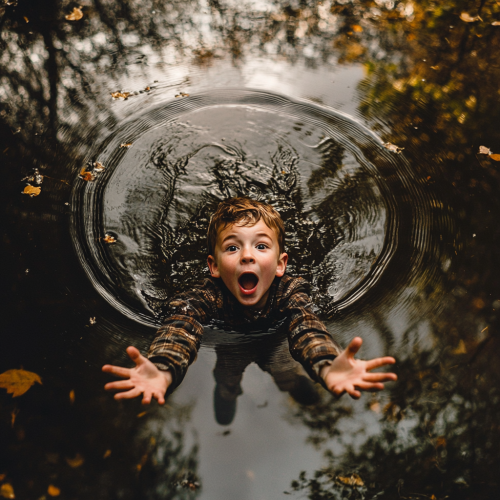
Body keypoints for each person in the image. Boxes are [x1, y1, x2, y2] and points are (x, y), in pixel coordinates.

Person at [102, 197, 397, 406]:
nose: (247, 255)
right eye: (232, 247)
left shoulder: (290, 291)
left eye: (260, 245)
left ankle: (292, 384)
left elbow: (306, 326)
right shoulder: (204, 296)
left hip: (275, 340)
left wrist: (326, 363)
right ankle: (227, 393)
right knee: (227, 376)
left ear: (280, 264)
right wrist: (165, 368)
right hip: (230, 346)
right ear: (214, 266)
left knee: (283, 370)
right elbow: (181, 326)